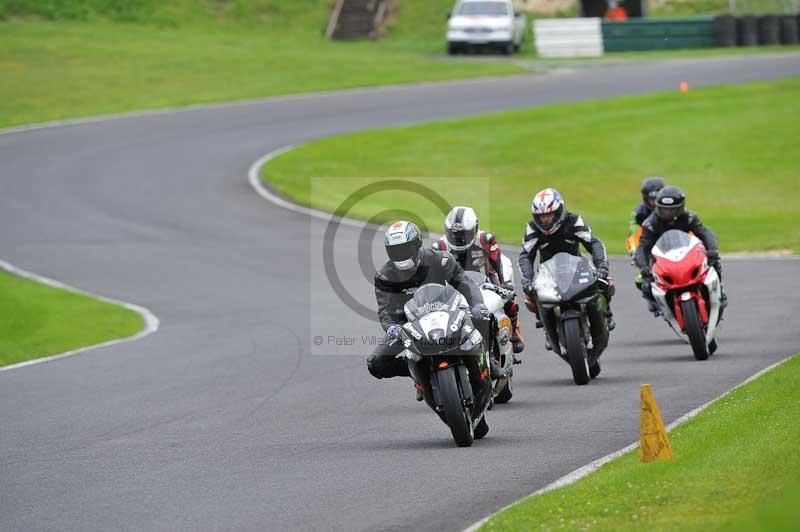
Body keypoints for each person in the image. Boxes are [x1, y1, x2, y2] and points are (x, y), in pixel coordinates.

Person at [366, 221, 500, 387]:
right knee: (376, 364)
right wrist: (392, 327)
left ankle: (489, 360)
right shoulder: (384, 277)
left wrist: (478, 305)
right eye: (396, 251)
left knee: (486, 317)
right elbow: (385, 311)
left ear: (417, 245)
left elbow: (466, 284)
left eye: (405, 249)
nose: (401, 255)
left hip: (450, 314)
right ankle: (421, 370)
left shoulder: (440, 260)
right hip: (410, 326)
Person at [519, 188, 615, 347]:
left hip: (578, 266)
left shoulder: (574, 220)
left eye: (549, 215)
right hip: (548, 272)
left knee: (605, 282)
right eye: (541, 217)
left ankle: (607, 313)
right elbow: (525, 256)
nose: (545, 220)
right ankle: (547, 327)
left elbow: (594, 243)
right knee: (531, 294)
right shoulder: (532, 228)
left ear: (559, 211)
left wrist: (602, 266)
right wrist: (526, 280)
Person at [432, 206, 525, 355]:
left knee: (508, 299)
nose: (459, 239)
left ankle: (514, 330)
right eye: (454, 234)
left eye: (463, 235)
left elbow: (497, 267)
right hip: (454, 285)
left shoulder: (485, 240)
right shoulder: (440, 247)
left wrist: (503, 286)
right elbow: (433, 279)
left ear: (474, 229)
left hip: (484, 280)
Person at [634, 185, 728, 311]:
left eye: (673, 210)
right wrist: (644, 267)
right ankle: (658, 304)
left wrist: (712, 251)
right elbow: (642, 247)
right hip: (661, 258)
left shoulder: (689, 217)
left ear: (681, 208)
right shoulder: (650, 223)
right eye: (664, 210)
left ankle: (719, 290)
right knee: (643, 282)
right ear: (658, 208)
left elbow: (706, 233)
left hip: (687, 252)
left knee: (714, 262)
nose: (668, 213)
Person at [626, 177, 667, 315]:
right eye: (652, 200)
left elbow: (688, 227)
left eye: (658, 199)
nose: (655, 203)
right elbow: (633, 234)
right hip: (651, 249)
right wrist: (635, 252)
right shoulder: (639, 214)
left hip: (673, 244)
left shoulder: (672, 207)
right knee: (642, 280)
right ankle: (655, 301)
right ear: (645, 199)